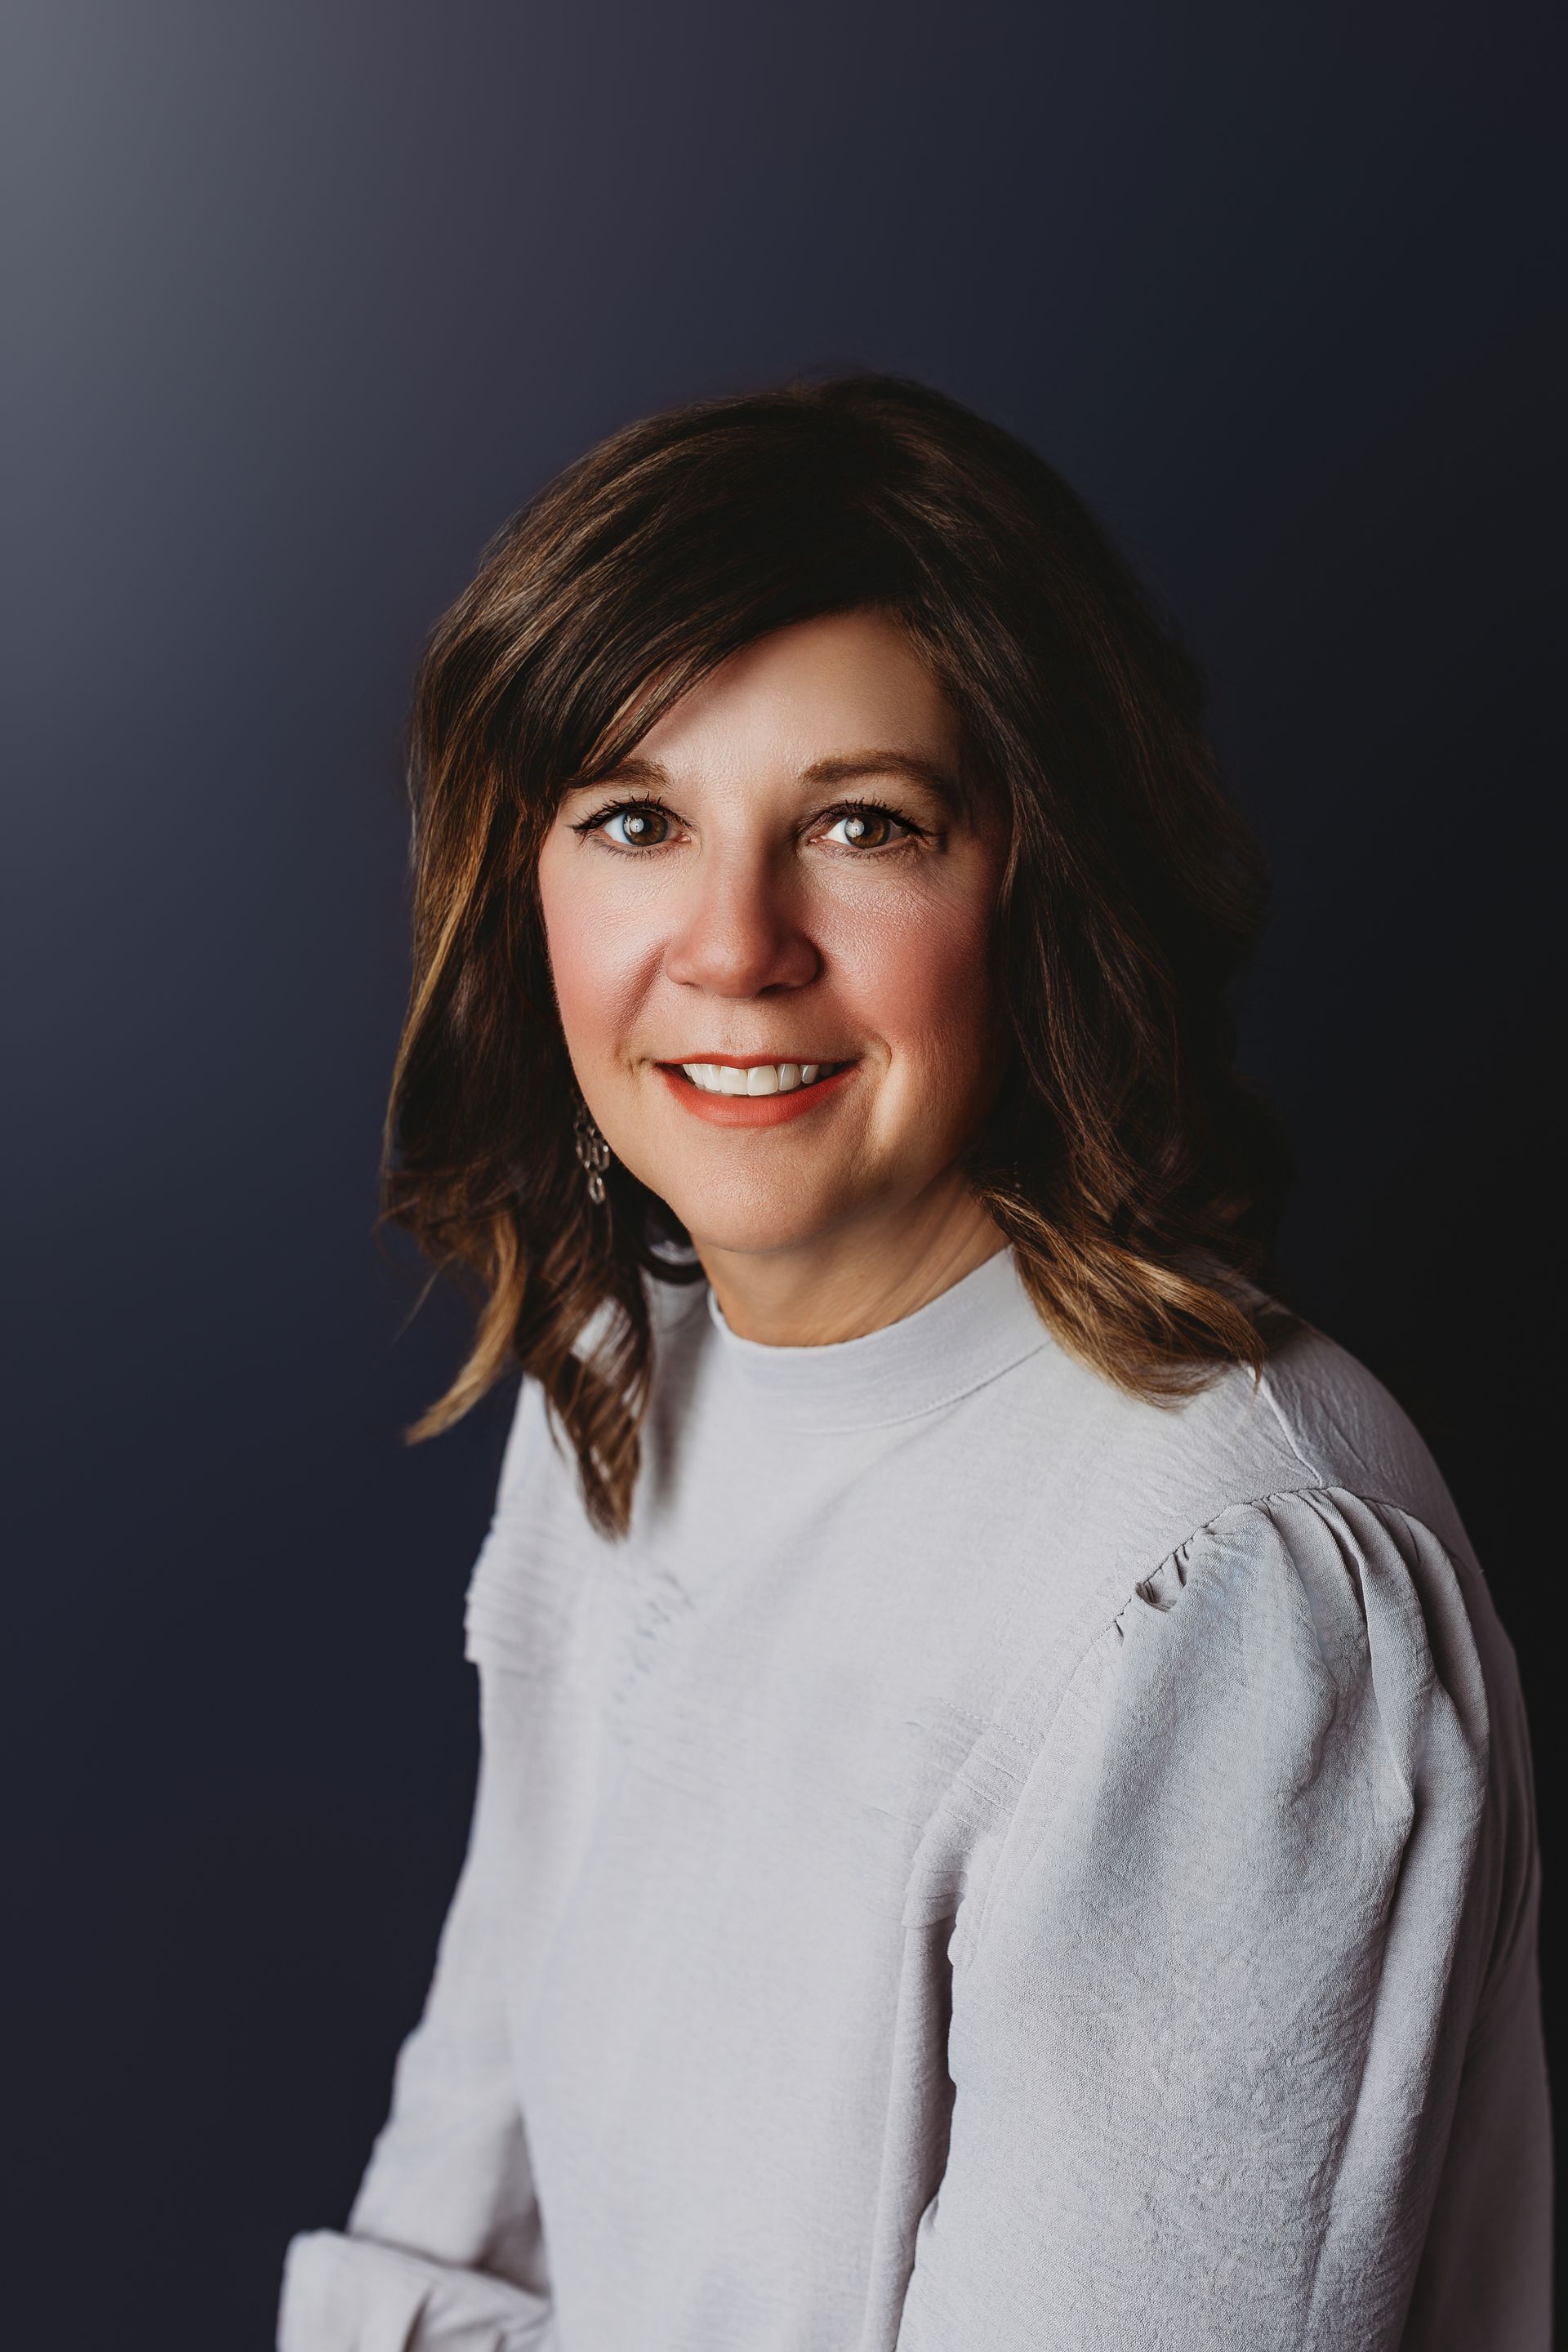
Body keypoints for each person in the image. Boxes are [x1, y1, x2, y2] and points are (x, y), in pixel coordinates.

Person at [278, 376, 1550, 2350]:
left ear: (1039, 885)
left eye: (865, 826)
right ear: (521, 881)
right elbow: (479, 2155)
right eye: (635, 818)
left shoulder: (1222, 1597)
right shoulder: (627, 1360)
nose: (733, 944)